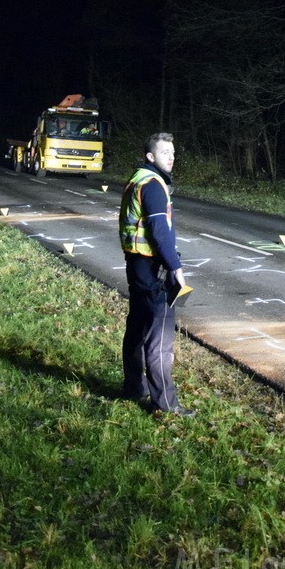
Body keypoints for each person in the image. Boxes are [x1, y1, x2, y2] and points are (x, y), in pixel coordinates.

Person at [119, 132, 195, 417]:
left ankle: (133, 387)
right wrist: (176, 269)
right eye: (165, 152)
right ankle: (165, 403)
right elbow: (159, 232)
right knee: (160, 339)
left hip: (137, 266)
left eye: (173, 152)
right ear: (150, 156)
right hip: (154, 269)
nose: (171, 156)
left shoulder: (137, 178)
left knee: (137, 328)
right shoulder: (151, 184)